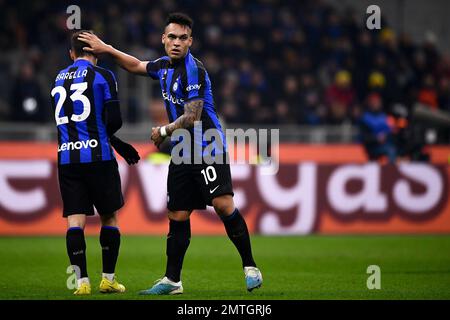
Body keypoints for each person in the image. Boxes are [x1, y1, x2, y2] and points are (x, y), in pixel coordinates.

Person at [78, 13, 262, 295]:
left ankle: (250, 267)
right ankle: (172, 281)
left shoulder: (194, 70)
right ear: (164, 39)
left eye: (182, 38)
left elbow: (193, 115)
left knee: (223, 204)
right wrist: (107, 49)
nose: (176, 42)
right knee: (177, 214)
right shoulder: (163, 66)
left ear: (190, 42)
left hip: (207, 144)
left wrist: (163, 131)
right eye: (172, 37)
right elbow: (137, 65)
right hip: (182, 150)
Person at [50, 30, 140, 295]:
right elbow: (114, 121)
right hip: (98, 157)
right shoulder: (104, 76)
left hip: (67, 157)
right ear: (95, 52)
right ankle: (108, 280)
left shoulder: (57, 78)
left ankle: (81, 283)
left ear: (71, 54)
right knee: (109, 216)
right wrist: (117, 143)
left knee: (75, 222)